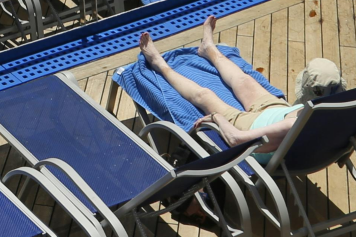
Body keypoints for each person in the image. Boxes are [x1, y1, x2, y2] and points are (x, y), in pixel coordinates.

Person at [137, 17, 344, 156]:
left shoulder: (291, 126)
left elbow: (237, 140)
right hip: (281, 113)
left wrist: (216, 118)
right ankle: (208, 48)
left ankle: (160, 65)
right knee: (243, 80)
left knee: (205, 95)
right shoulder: (342, 111)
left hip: (254, 128)